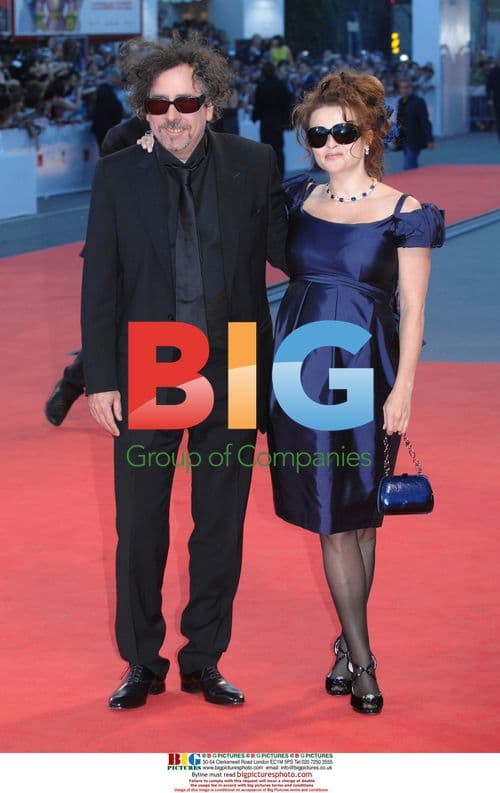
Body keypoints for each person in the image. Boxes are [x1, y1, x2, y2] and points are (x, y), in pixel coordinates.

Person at [81, 35, 287, 710]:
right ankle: (142, 660)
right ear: (145, 108)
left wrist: (362, 214)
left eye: (187, 101)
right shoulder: (117, 173)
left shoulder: (255, 164)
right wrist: (102, 378)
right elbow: (101, 282)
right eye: (159, 103)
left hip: (236, 364)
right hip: (149, 366)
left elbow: (293, 249)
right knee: (140, 524)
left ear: (213, 104)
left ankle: (205, 658)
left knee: (220, 522)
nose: (174, 115)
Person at [268, 71, 444, 714]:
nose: (330, 143)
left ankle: (348, 646)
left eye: (343, 130)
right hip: (301, 376)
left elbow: (415, 310)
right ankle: (362, 658)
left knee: (363, 518)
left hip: (368, 376)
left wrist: (403, 392)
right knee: (332, 521)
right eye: (318, 134)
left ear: (369, 134)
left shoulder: (406, 213)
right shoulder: (294, 199)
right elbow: (219, 202)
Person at [43, 116, 150, 428]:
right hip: (121, 248)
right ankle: (72, 384)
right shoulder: (122, 135)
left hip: (177, 247)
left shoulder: (200, 133)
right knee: (117, 327)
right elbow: (111, 190)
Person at [252, 61, 292, 176]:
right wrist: (287, 120)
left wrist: (255, 116)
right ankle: (280, 172)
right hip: (278, 122)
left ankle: (269, 173)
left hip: (266, 122)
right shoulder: (281, 85)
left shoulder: (261, 86)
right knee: (278, 149)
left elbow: (258, 104)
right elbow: (287, 103)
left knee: (266, 149)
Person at [395, 79, 434, 170]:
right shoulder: (400, 102)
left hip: (415, 139)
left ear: (411, 88)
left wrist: (430, 139)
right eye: (402, 88)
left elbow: (425, 121)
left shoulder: (418, 102)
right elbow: (399, 121)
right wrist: (396, 137)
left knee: (409, 166)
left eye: (406, 88)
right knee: (412, 165)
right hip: (404, 139)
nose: (404, 90)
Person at [486, 54, 500, 141]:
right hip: (497, 99)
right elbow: (488, 86)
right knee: (499, 118)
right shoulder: (493, 71)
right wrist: (489, 99)